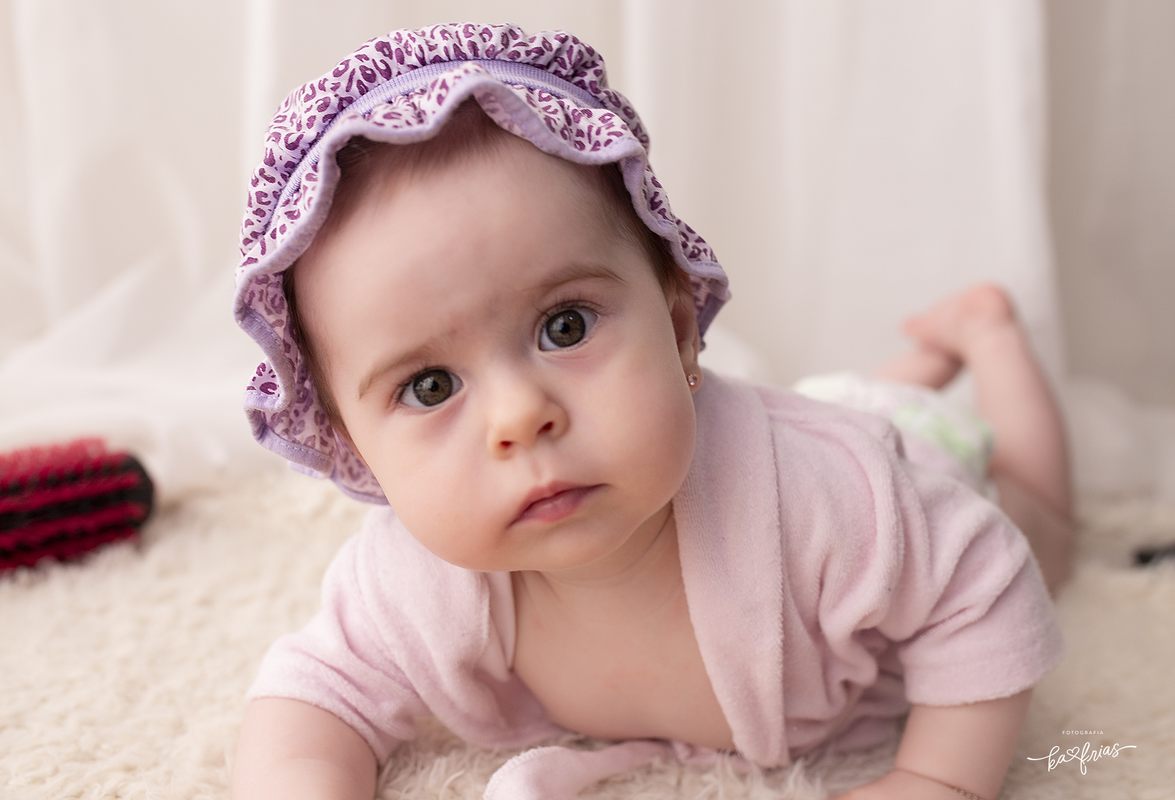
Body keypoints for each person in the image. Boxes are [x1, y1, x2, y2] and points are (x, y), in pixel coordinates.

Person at [230, 23, 1068, 800]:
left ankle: (986, 337)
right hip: (811, 417)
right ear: (354, 451)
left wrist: (939, 781)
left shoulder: (838, 505)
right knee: (839, 399)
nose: (520, 417)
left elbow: (986, 586)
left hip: (895, 448)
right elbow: (312, 697)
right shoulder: (415, 584)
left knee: (1045, 533)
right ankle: (924, 356)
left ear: (677, 330)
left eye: (564, 327)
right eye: (430, 387)